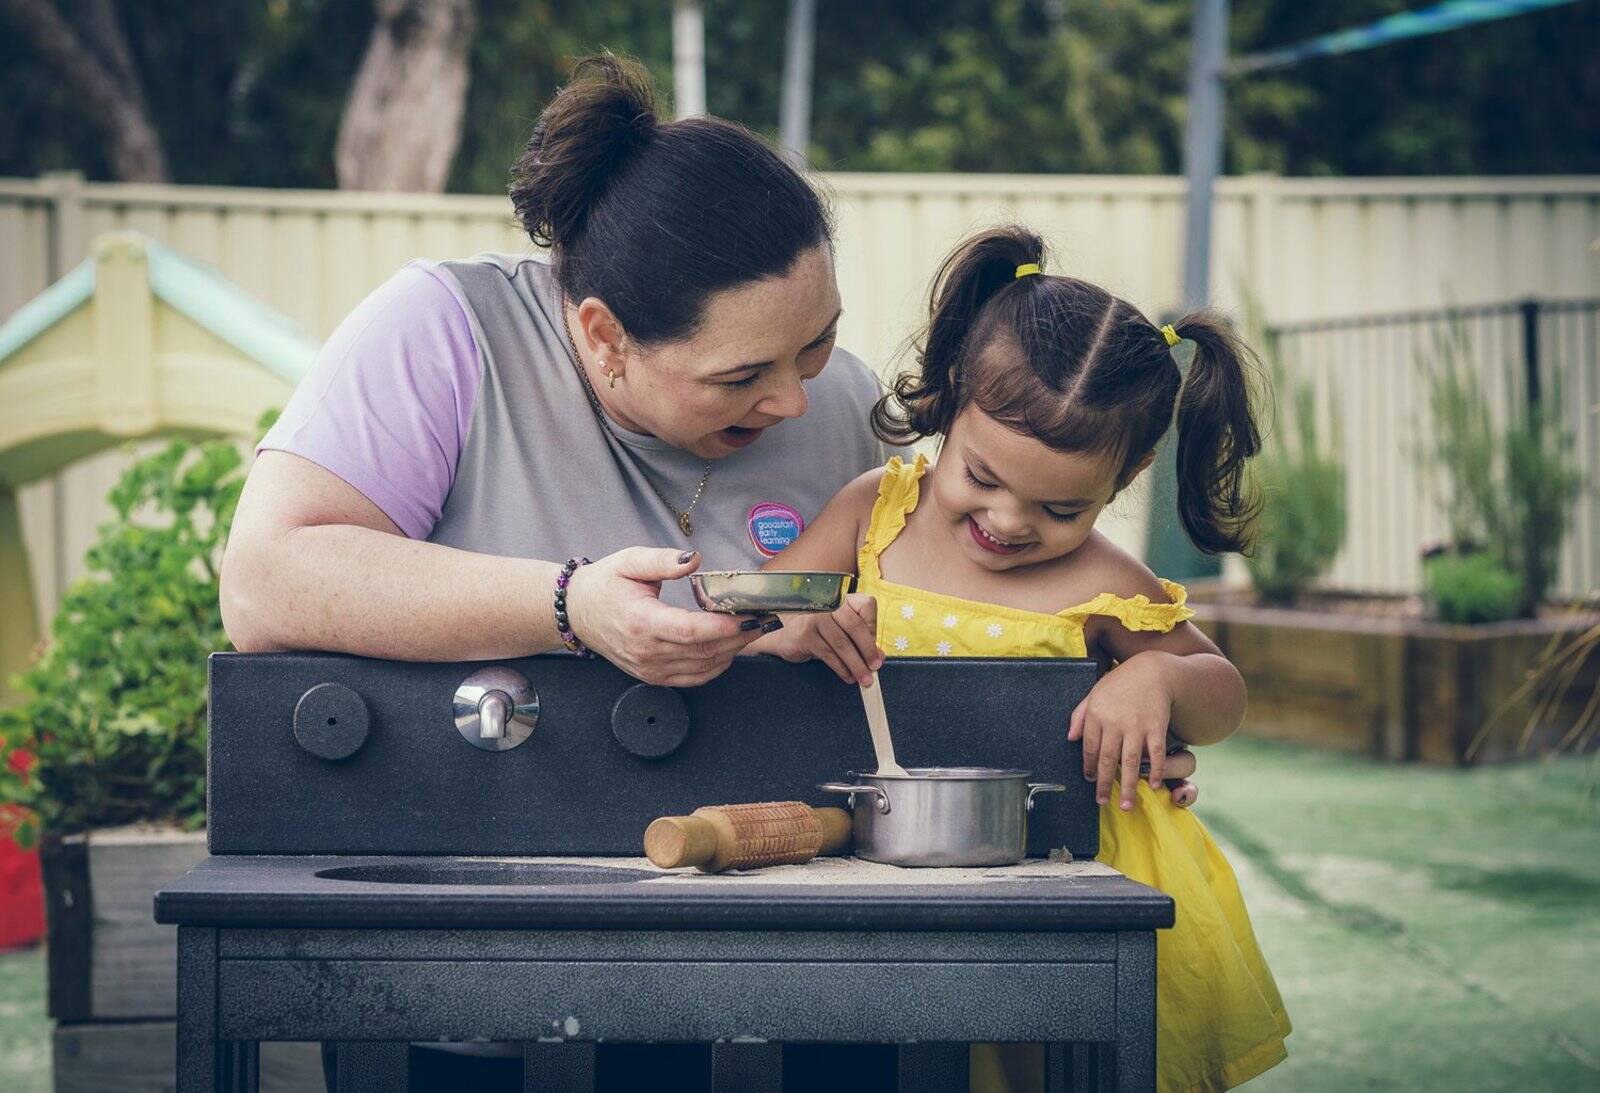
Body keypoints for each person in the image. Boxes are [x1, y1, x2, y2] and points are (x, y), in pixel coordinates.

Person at [754, 226, 1292, 1092]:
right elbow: (760, 612)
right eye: (982, 476)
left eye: (1061, 505)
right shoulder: (874, 514)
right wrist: (800, 625)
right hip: (881, 866)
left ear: (1130, 473)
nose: (1008, 520)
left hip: (1064, 882)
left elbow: (1221, 695)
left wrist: (1155, 676)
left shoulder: (1105, 578)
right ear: (954, 401)